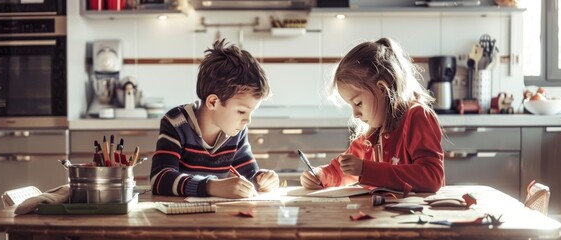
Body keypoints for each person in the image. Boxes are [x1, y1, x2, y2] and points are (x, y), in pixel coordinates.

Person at [300, 38, 445, 193]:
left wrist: (366, 170)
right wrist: (320, 175)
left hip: (415, 215)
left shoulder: (417, 116)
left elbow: (432, 177)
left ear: (382, 89)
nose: (355, 114)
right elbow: (341, 170)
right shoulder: (373, 132)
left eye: (358, 103)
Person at [151, 39, 279, 198]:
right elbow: (159, 179)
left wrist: (262, 179)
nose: (247, 121)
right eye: (241, 111)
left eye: (251, 112)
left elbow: (249, 174)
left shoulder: (236, 131)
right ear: (213, 102)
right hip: (178, 217)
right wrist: (211, 186)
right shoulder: (177, 123)